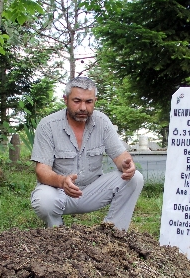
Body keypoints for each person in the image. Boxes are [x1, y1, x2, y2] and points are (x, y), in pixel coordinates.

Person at [30, 77, 144, 230]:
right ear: (65, 100)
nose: (83, 107)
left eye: (89, 102)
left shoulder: (102, 122)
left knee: (135, 177)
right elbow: (41, 170)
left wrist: (127, 164)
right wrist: (63, 181)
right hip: (60, 192)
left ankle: (114, 233)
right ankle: (56, 235)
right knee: (43, 199)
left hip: (92, 192)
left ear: (95, 100)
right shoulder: (48, 125)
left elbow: (120, 155)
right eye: (77, 101)